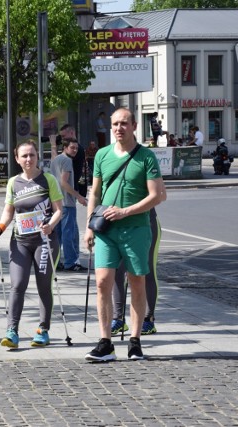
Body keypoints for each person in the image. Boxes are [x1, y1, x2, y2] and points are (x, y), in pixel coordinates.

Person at [84, 108, 165, 362]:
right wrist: (88, 225)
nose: (119, 128)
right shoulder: (102, 155)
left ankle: (135, 341)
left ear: (134, 125)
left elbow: (158, 195)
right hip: (106, 230)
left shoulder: (146, 157)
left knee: (137, 282)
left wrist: (125, 211)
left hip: (137, 228)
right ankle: (105, 342)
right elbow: (95, 193)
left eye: (124, 124)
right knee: (102, 284)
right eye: (115, 124)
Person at [0, 139, 63, 349]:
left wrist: (50, 225)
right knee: (17, 284)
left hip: (45, 241)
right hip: (20, 241)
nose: (28, 159)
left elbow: (59, 210)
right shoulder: (14, 182)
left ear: (37, 156)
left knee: (43, 285)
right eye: (24, 156)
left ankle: (43, 330)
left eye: (32, 155)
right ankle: (12, 331)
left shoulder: (48, 179)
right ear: (17, 159)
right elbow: (8, 210)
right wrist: (1, 227)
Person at [111, 207, 164, 337]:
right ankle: (118, 318)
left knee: (146, 271)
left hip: (145, 223)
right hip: (118, 225)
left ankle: (148, 319)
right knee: (116, 271)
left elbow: (158, 195)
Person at [50, 137, 87, 272]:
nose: (75, 150)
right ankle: (71, 262)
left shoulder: (56, 160)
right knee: (69, 233)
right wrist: (79, 196)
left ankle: (55, 261)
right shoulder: (67, 161)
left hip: (56, 202)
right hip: (67, 202)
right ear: (65, 148)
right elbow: (64, 182)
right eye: (72, 147)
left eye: (76, 148)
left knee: (58, 234)